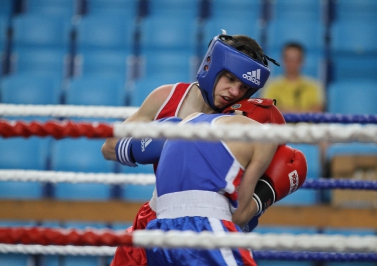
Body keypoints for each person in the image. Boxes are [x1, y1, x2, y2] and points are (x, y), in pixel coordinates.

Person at [103, 32, 279, 265]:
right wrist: (152, 142)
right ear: (211, 66)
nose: (235, 92)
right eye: (229, 78)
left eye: (244, 87)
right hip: (158, 214)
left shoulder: (240, 119)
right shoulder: (167, 98)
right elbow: (108, 147)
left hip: (211, 221)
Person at [145, 97, 308, 265]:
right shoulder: (264, 136)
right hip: (207, 228)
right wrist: (268, 192)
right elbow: (239, 217)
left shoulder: (188, 120)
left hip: (158, 233)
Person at [261, 42, 324, 113]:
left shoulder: (314, 85)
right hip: (280, 124)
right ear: (283, 60)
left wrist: (284, 109)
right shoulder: (271, 86)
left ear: (302, 61)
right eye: (288, 59)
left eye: (295, 59)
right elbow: (268, 109)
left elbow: (317, 110)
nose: (292, 63)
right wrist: (304, 111)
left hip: (307, 124)